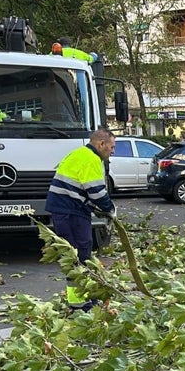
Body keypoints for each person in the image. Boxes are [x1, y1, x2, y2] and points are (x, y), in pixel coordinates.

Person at [45, 129, 117, 311]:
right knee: (79, 255)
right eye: (112, 146)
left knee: (78, 254)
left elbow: (80, 187)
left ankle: (84, 298)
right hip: (71, 212)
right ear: (101, 144)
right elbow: (97, 192)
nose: (113, 151)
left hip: (66, 209)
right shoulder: (91, 159)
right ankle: (79, 303)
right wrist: (110, 209)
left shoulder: (79, 153)